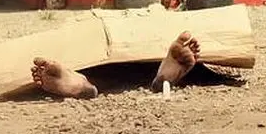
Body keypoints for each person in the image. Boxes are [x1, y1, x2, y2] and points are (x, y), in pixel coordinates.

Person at [30, 31, 201, 99]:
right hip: (147, 43)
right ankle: (161, 78)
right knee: (114, 60)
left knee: (101, 60)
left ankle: (83, 82)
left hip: (95, 50)